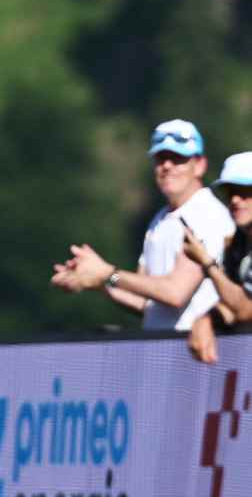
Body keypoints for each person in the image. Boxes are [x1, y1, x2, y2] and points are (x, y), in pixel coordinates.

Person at [51, 119, 235, 345]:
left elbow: (175, 293)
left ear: (199, 165)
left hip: (197, 357)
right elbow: (146, 302)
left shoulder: (206, 214)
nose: (167, 166)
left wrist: (108, 273)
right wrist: (97, 282)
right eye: (160, 158)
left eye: (178, 159)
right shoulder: (159, 220)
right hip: (162, 354)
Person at [181, 152, 252, 362]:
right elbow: (232, 307)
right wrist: (207, 318)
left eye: (244, 192)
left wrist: (207, 263)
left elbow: (245, 308)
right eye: (229, 193)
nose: (235, 201)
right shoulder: (237, 243)